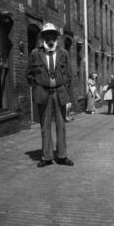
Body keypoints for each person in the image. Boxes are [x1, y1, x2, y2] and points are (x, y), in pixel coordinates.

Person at [26, 22, 74, 167]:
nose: (50, 37)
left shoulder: (63, 53)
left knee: (61, 125)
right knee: (45, 126)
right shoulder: (35, 53)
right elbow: (29, 74)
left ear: (56, 36)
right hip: (43, 93)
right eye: (47, 35)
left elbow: (69, 75)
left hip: (60, 92)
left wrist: (67, 93)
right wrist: (36, 88)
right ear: (43, 37)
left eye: (52, 34)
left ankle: (61, 156)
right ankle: (46, 157)